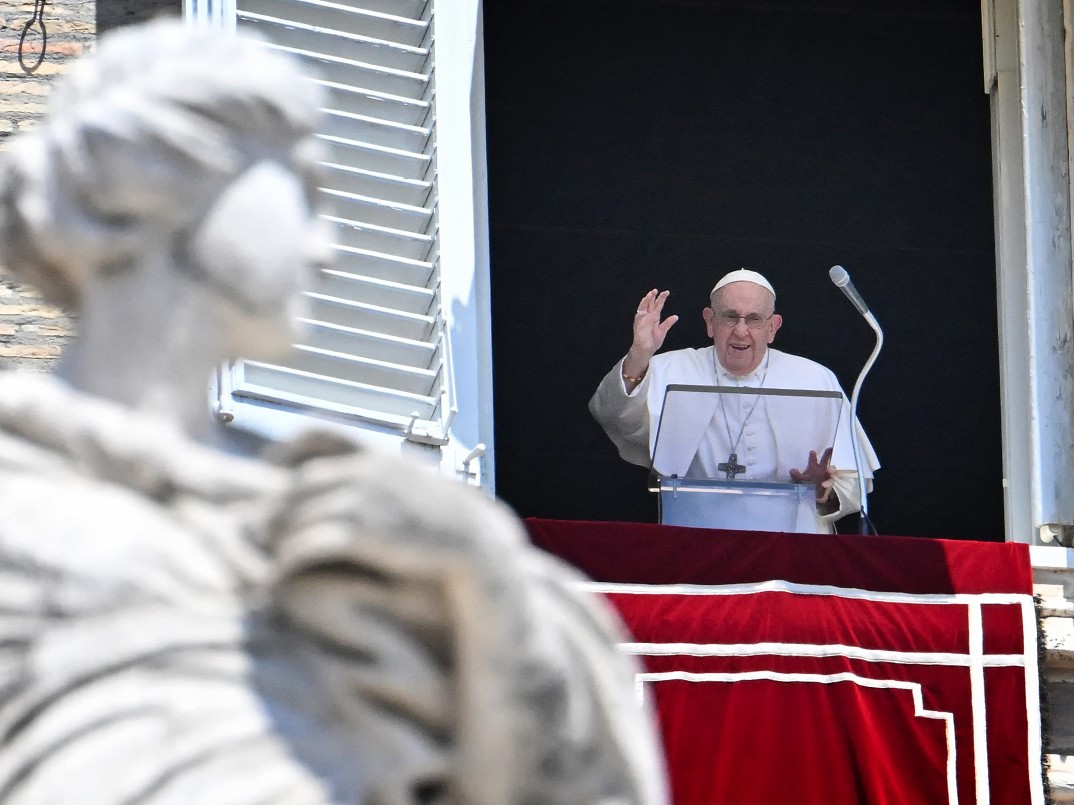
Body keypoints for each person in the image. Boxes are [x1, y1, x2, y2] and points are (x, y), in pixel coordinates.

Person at [0, 22, 665, 805]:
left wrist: (482, 581)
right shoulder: (26, 501)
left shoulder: (372, 523)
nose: (327, 245)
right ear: (158, 185)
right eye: (302, 188)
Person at [590, 269, 879, 533]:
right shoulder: (670, 369)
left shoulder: (814, 379)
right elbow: (614, 416)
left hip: (792, 548)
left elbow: (852, 482)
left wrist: (822, 491)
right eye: (730, 316)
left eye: (754, 319)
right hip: (694, 543)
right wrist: (639, 354)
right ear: (710, 322)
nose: (741, 331)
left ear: (772, 327)